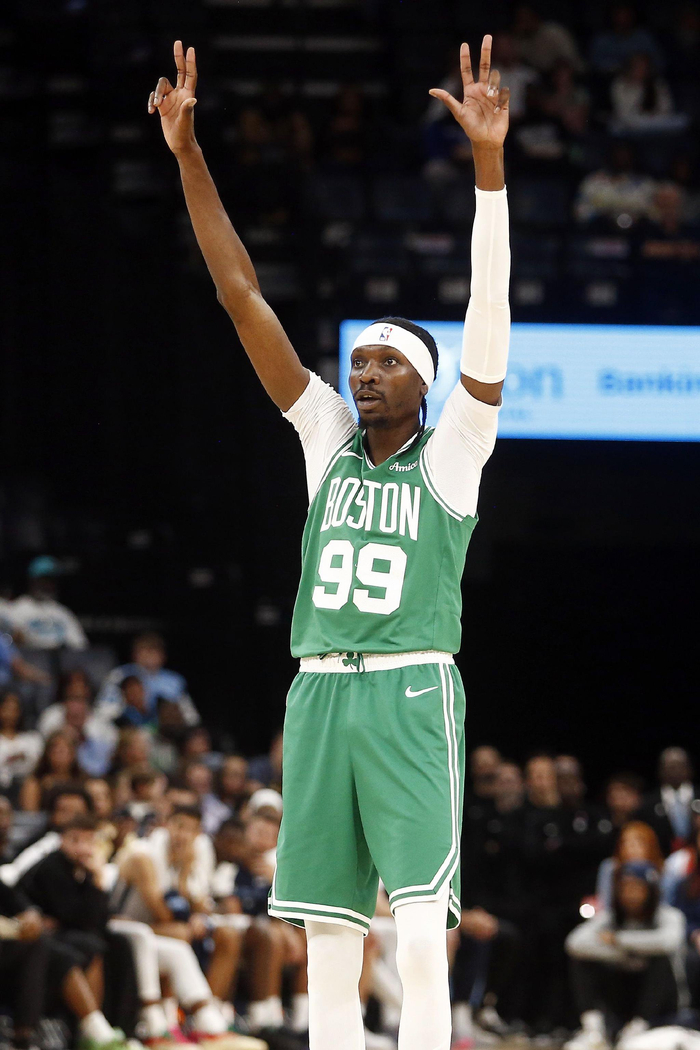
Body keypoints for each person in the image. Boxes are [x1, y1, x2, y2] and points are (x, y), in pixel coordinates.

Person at [148, 32, 511, 1050]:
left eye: (385, 364)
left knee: (418, 936)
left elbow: (488, 317)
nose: (362, 376)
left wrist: (488, 170)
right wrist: (188, 154)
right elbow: (241, 297)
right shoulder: (325, 438)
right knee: (326, 941)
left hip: (408, 691)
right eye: (357, 362)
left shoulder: (454, 453)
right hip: (317, 693)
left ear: (424, 383)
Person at [565, 861, 685, 1050]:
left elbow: (668, 942)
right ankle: (594, 1029)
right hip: (620, 994)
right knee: (582, 961)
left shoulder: (669, 915)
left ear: (651, 891)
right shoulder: (610, 917)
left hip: (657, 1006)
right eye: (625, 888)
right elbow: (574, 943)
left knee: (661, 961)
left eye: (637, 888)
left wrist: (619, 941)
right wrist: (628, 955)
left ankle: (639, 1027)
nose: (631, 894)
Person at [95, 633, 199, 727]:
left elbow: (191, 717)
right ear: (134, 654)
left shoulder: (175, 680)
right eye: (145, 651)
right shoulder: (119, 675)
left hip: (164, 732)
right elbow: (103, 712)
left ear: (163, 655)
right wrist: (127, 705)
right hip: (127, 729)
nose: (149, 656)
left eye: (154, 651)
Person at [8, 556, 88, 651]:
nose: (48, 585)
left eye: (52, 580)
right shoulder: (15, 609)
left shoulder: (62, 612)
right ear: (32, 580)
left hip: (60, 659)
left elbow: (79, 645)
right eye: (44, 580)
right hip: (30, 658)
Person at [637, 748, 700, 856]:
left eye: (679, 765)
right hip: (661, 858)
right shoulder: (648, 803)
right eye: (670, 766)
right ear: (660, 770)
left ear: (689, 768)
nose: (675, 770)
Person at [596, 821, 665, 911]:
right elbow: (604, 904)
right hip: (617, 917)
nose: (631, 847)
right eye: (625, 842)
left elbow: (664, 905)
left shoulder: (660, 868)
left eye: (638, 842)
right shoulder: (610, 868)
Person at [19, 729, 83, 811]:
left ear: (73, 753)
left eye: (64, 750)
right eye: (55, 750)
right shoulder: (35, 783)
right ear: (47, 753)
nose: (59, 754)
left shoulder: (83, 781)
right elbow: (30, 815)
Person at [0, 691, 43, 798]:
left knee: (32, 785)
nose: (10, 714)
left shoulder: (32, 738)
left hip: (25, 785)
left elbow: (37, 765)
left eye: (14, 710)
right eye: (6, 709)